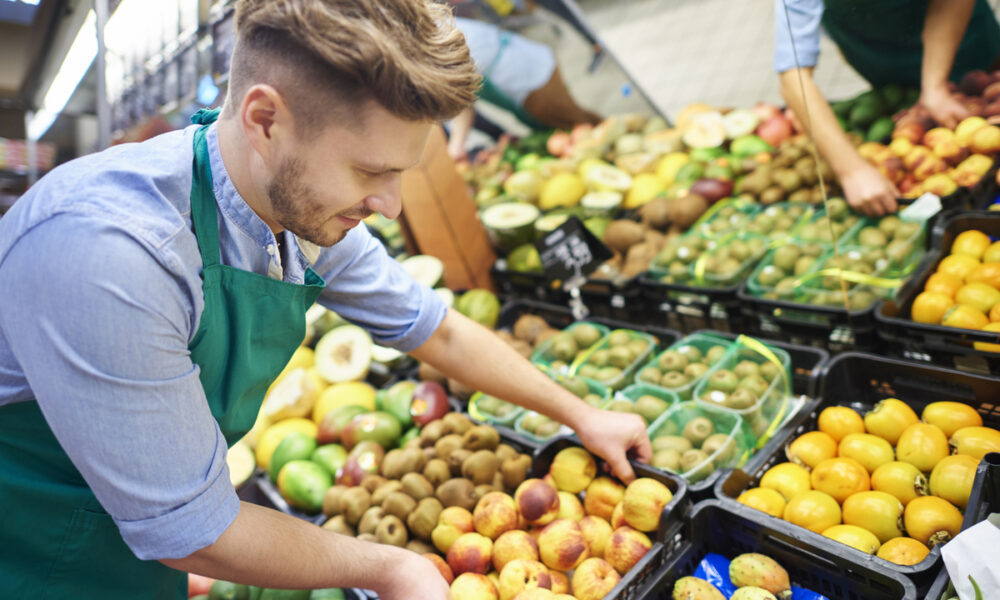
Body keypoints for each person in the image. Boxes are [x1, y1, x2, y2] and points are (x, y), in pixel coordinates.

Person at [0, 1, 650, 598]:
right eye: (372, 171)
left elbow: (435, 329)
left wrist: (581, 414)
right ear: (264, 120)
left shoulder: (290, 209)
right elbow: (190, 531)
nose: (390, 205)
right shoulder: (113, 255)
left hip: (134, 544)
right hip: (31, 560)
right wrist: (391, 566)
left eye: (402, 172)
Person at [774, 0, 1000, 216]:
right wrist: (852, 170)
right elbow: (794, 77)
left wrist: (934, 85)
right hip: (877, 52)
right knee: (898, 98)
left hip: (963, 39)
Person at [447, 16, 602, 162]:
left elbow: (463, 101)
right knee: (574, 124)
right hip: (523, 80)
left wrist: (456, 145)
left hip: (531, 78)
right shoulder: (434, 29)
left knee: (580, 131)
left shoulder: (438, 38)